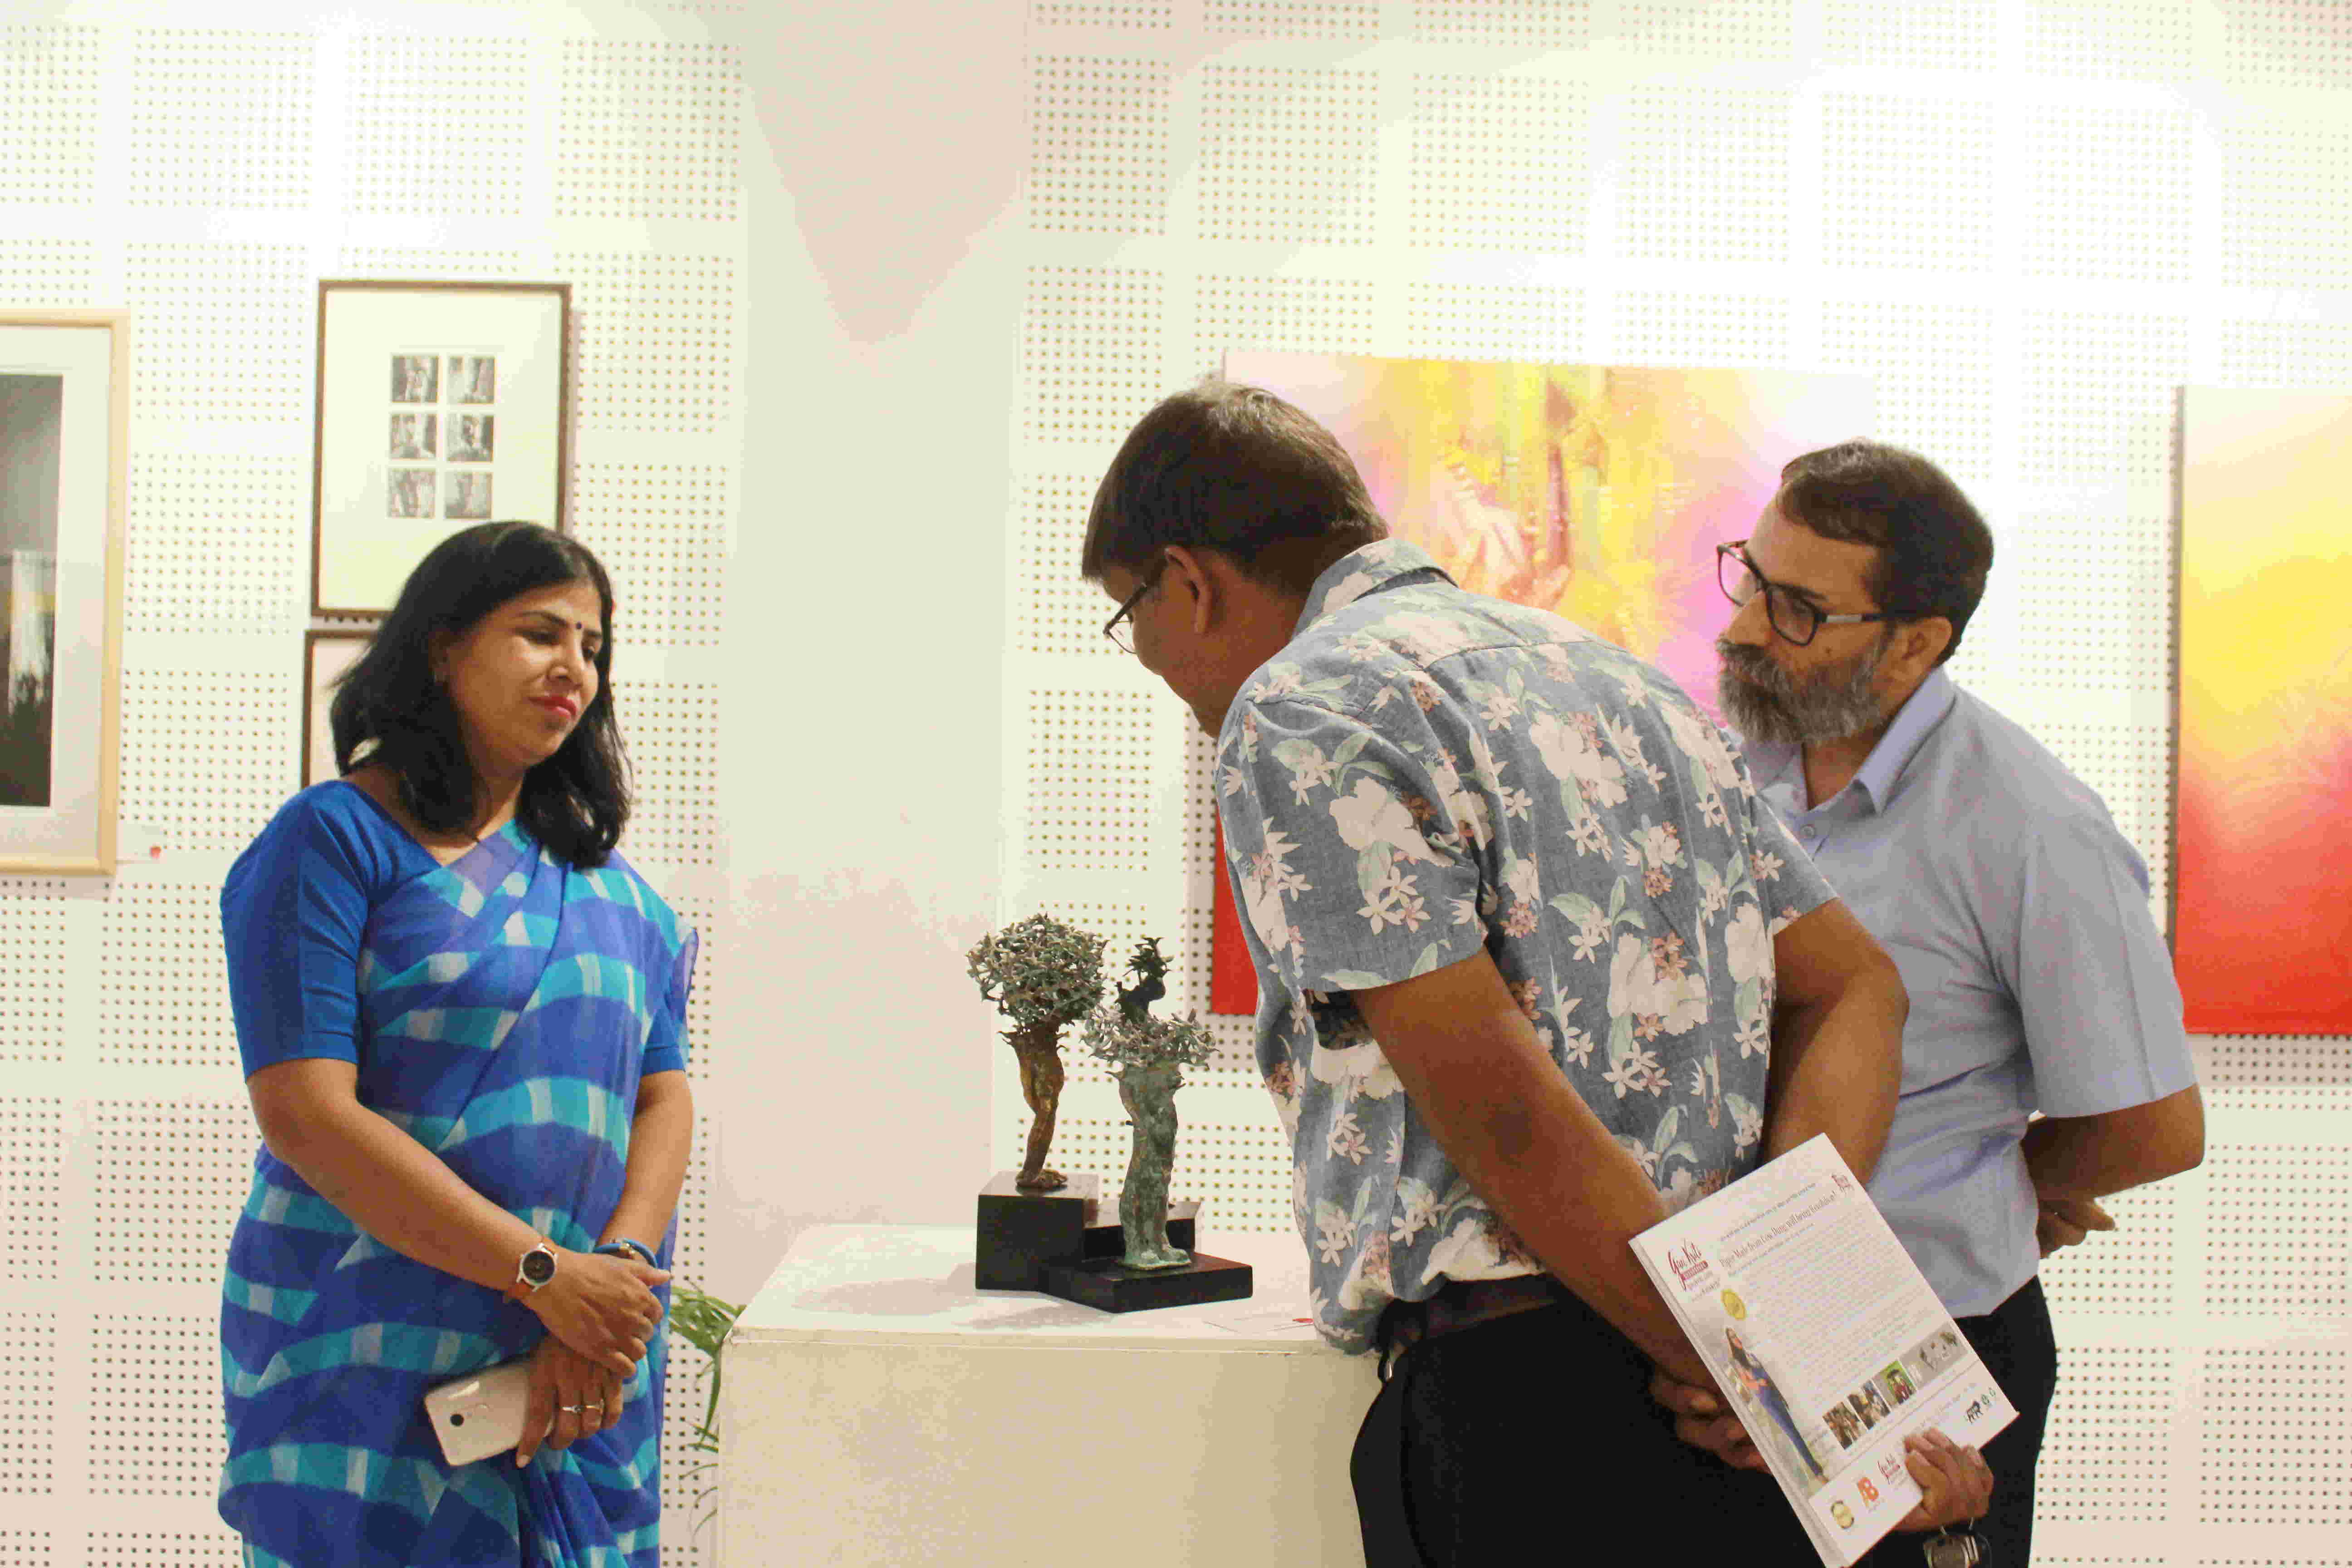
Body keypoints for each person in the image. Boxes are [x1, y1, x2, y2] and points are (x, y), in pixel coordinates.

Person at [1082, 381, 1990, 1565]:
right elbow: (1859, 987)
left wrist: (1743, 1361)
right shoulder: (1625, 682)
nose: (1154, 661)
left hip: (1535, 1412)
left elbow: (1497, 1105)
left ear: (1186, 582)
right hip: (1705, 1395)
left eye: (1131, 617)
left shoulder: (1301, 707)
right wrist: (1767, 1323)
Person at [1656, 440, 2205, 1568]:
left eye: (1800, 609)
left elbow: (2153, 1125)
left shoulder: (2033, 826)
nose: (1747, 626)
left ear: (1916, 643)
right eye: (1751, 578)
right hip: (1716, 1347)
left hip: (1919, 1346)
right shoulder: (1722, 762)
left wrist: (1999, 1190)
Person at [217, 521, 698, 1568]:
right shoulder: (333, 842)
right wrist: (542, 1275)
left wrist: (610, 1285)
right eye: (540, 633)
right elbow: (305, 1112)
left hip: (574, 1368)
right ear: (443, 648)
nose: (574, 668)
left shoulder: (615, 895)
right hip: (364, 1355)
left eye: (593, 647)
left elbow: (662, 1094)